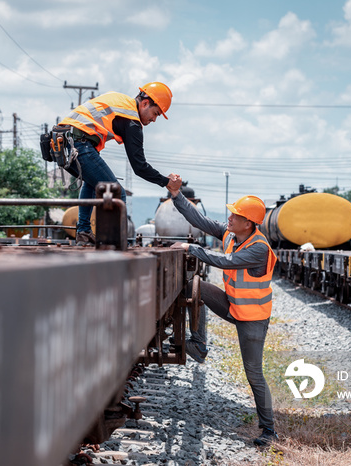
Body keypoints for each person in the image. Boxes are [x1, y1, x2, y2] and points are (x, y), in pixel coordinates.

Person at [167, 177, 278, 447]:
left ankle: (269, 430)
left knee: (253, 374)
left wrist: (191, 248)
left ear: (249, 223)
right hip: (232, 305)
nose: (229, 218)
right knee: (195, 287)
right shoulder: (231, 234)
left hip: (252, 317)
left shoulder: (259, 248)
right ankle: (198, 345)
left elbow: (226, 262)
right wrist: (176, 195)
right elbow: (201, 220)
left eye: (235, 215)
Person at [58, 82, 181, 245]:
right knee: (117, 194)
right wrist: (166, 182)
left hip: (65, 141)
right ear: (145, 104)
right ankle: (111, 244)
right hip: (79, 143)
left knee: (92, 183)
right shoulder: (131, 119)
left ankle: (84, 232)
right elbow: (139, 166)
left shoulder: (121, 102)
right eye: (155, 113)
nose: (154, 119)